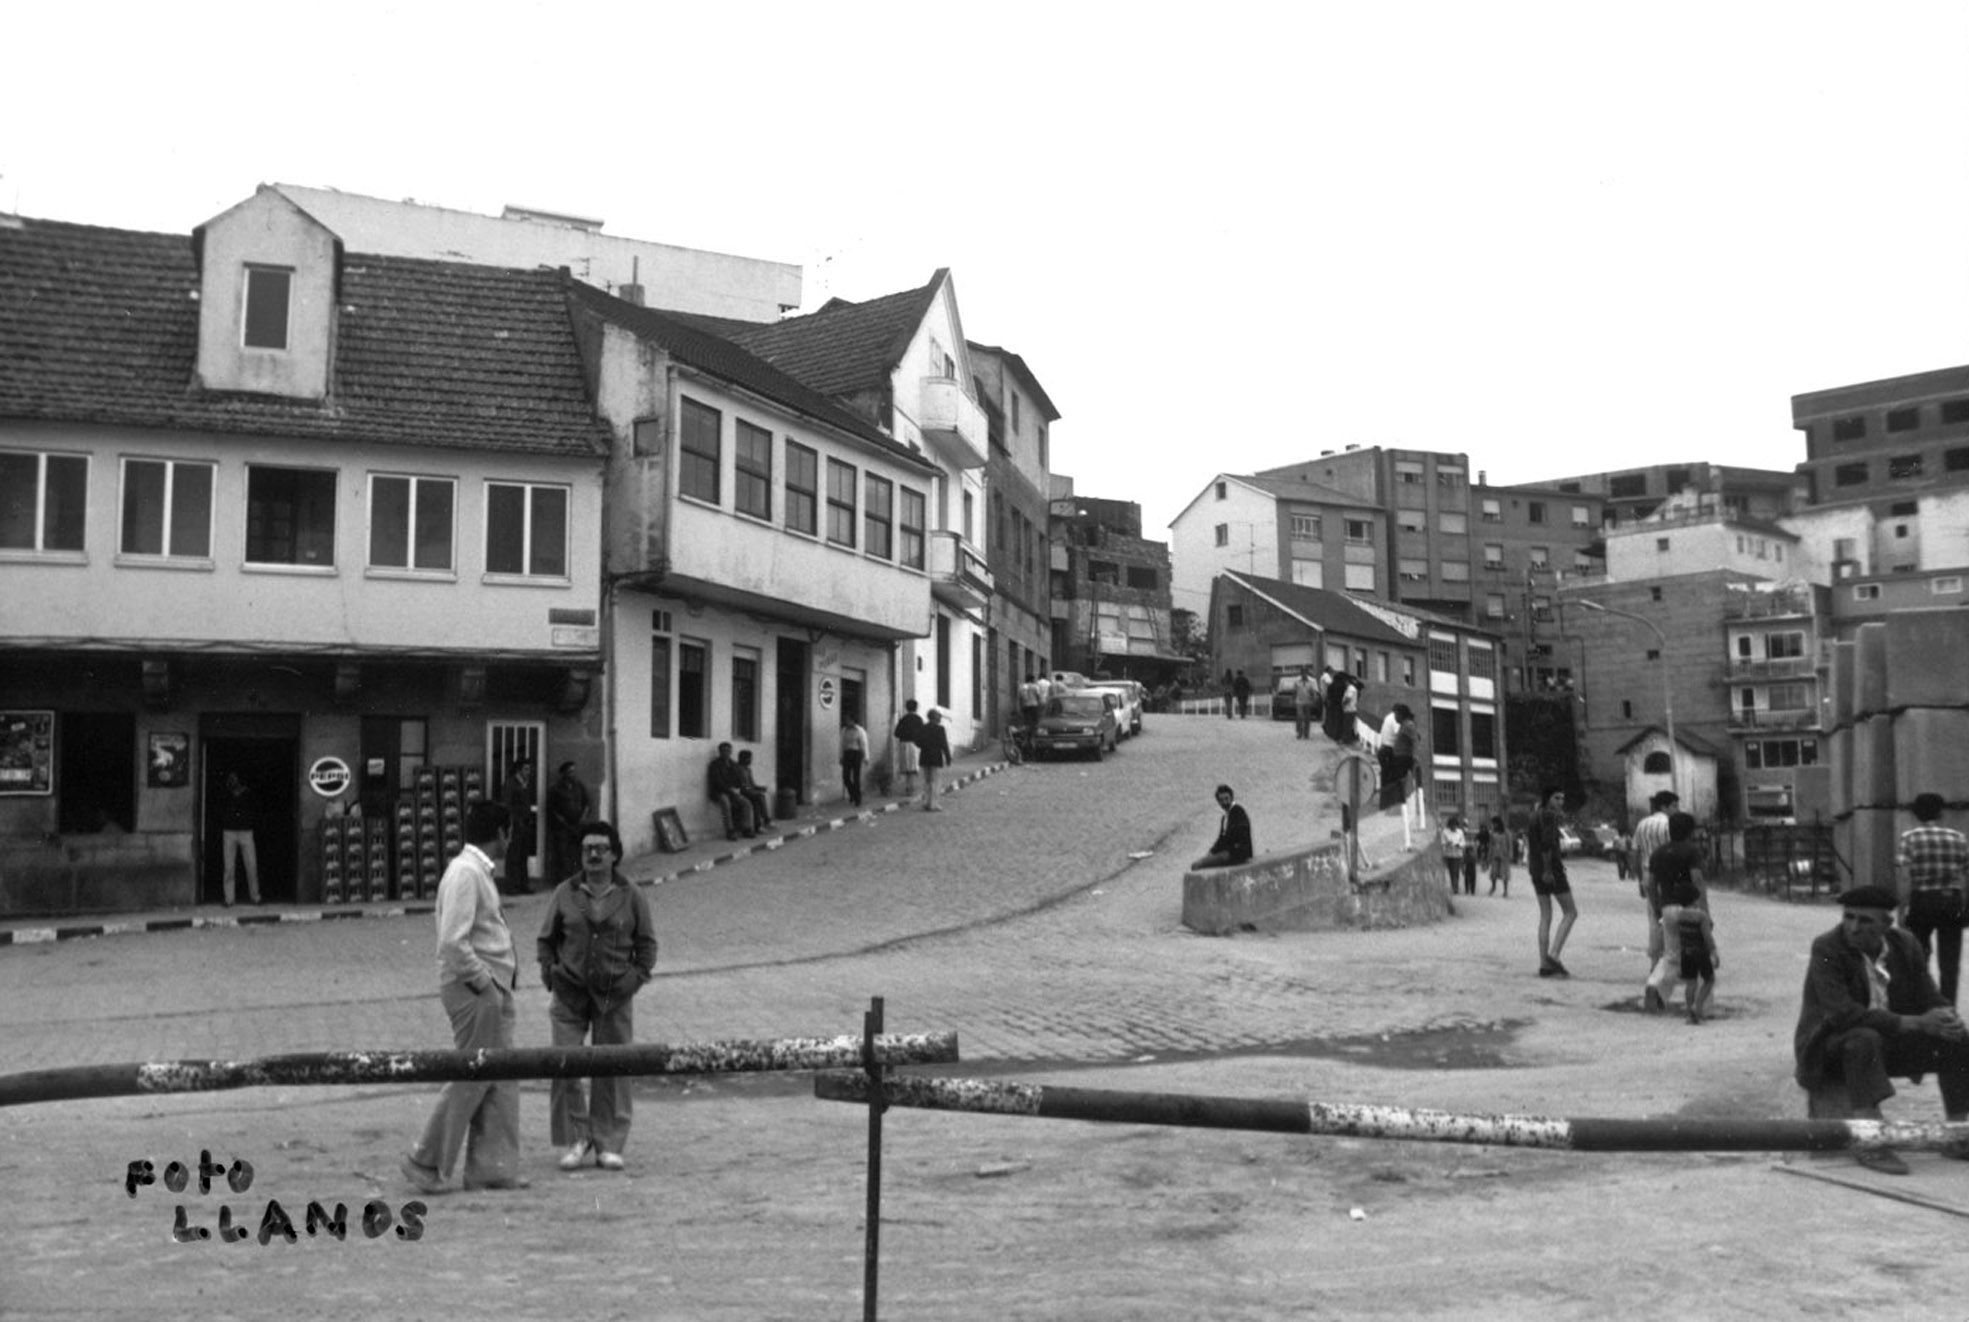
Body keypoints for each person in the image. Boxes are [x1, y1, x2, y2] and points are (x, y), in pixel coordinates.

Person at [1793, 884, 1969, 1176]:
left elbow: (1928, 994)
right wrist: (1914, 1022)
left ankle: (1959, 1133)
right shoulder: (1826, 947)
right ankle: (1870, 1140)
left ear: (1887, 924)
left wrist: (1946, 1017)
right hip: (1830, 1047)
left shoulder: (1906, 944)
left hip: (1884, 1043)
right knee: (1864, 1038)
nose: (1853, 927)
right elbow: (1842, 1014)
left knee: (1957, 1039)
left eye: (1865, 920)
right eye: (1848, 917)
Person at [402, 799, 527, 1194]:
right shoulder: (465, 874)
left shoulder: (474, 872)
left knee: (500, 1078)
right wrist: (485, 984)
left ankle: (494, 1168)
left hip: (491, 988)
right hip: (476, 990)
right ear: (502, 832)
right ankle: (425, 1162)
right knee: (471, 1075)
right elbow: (452, 942)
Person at [536, 820, 657, 1174]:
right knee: (566, 1063)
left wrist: (633, 980)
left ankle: (609, 1142)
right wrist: (551, 974)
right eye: (587, 848)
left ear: (614, 854)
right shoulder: (565, 893)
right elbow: (546, 940)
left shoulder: (631, 894)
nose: (593, 855)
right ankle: (577, 1137)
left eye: (600, 849)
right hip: (570, 993)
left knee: (613, 1067)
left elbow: (647, 946)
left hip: (614, 995)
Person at [1897, 791, 1967, 1006]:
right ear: (1941, 813)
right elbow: (1965, 877)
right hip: (1951, 902)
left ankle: (1923, 1007)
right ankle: (1948, 1009)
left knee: (1919, 958)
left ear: (1916, 814)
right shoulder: (1959, 838)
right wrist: (1963, 904)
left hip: (1922, 902)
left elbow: (1905, 878)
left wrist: (1902, 910)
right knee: (1950, 963)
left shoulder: (1909, 838)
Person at [1643, 812, 1710, 1013]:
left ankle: (1654, 984)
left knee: (1671, 955)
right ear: (1689, 831)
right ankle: (1701, 1004)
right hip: (1689, 908)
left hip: (1667, 907)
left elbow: (1649, 884)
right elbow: (1697, 880)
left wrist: (1656, 908)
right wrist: (1704, 911)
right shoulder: (1691, 852)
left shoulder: (1658, 853)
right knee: (1698, 953)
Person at [1528, 786, 1576, 977]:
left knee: (1545, 915)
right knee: (1571, 912)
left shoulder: (1534, 815)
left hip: (1535, 868)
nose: (1560, 802)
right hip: (1551, 869)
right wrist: (1549, 870)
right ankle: (1554, 955)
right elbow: (1547, 845)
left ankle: (1544, 963)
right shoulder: (1549, 816)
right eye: (1557, 798)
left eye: (1562, 798)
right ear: (1548, 798)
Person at [1629, 791, 1677, 968]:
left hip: (1648, 873)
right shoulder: (1670, 825)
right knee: (1671, 918)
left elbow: (1635, 852)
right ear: (1664, 807)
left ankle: (1654, 961)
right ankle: (1670, 961)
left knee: (1654, 918)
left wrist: (1639, 879)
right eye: (1673, 806)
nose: (1676, 810)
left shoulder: (1642, 824)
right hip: (1668, 874)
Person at [218, 771, 262, 906]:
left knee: (251, 865)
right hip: (229, 831)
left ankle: (255, 896)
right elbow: (220, 809)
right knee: (229, 867)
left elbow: (255, 809)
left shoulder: (248, 794)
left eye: (235, 778)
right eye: (231, 779)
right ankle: (229, 898)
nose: (233, 781)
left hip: (246, 831)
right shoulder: (225, 794)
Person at [545, 760, 591, 885]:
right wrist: (560, 820)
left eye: (573, 771)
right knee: (562, 853)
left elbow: (587, 803)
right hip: (563, 827)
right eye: (570, 772)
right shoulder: (556, 789)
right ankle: (564, 880)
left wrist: (583, 817)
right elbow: (551, 808)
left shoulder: (579, 786)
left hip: (578, 825)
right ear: (564, 773)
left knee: (577, 852)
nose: (572, 774)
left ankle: (579, 878)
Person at [1190, 785, 1254, 869]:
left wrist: (1216, 852)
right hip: (1230, 853)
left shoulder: (1237, 811)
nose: (1225, 802)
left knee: (1197, 865)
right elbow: (1221, 838)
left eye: (1226, 799)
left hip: (1238, 854)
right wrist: (1212, 851)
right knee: (1203, 861)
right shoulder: (1225, 817)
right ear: (1218, 802)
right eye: (1221, 800)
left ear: (1232, 798)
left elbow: (1234, 835)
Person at [501, 757, 536, 895]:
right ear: (519, 770)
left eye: (529, 769)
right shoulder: (511, 784)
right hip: (515, 824)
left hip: (525, 824)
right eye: (526, 769)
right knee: (513, 856)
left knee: (523, 856)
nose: (529, 772)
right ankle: (511, 886)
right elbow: (508, 804)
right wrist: (513, 821)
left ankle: (523, 884)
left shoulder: (525, 784)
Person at [707, 743, 756, 840]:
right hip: (719, 792)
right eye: (724, 751)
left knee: (746, 803)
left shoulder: (734, 764)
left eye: (728, 751)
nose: (726, 753)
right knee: (726, 803)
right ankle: (730, 830)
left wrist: (738, 788)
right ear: (720, 752)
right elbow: (717, 782)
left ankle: (746, 828)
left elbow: (739, 779)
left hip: (732, 791)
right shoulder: (715, 765)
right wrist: (730, 790)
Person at [1376, 704, 1418, 811]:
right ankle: (1390, 804)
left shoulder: (1408, 725)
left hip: (1403, 758)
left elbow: (1415, 741)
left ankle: (1396, 805)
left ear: (1401, 714)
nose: (1395, 717)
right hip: (1398, 757)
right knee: (1391, 780)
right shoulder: (1403, 725)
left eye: (1396, 715)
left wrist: (1414, 756)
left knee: (1396, 782)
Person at [916, 708, 952, 811]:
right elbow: (944, 744)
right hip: (936, 757)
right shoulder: (940, 729)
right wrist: (948, 757)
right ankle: (933, 804)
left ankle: (926, 802)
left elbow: (917, 742)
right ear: (936, 718)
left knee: (927, 781)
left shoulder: (923, 728)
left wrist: (925, 746)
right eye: (939, 717)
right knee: (935, 781)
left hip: (924, 756)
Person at [734, 750, 775, 831]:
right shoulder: (738, 769)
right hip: (742, 791)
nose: (750, 760)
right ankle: (766, 819)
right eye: (749, 759)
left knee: (757, 801)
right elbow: (743, 786)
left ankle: (758, 826)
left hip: (749, 790)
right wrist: (752, 790)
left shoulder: (748, 770)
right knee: (760, 796)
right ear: (744, 759)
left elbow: (752, 784)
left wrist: (760, 788)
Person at [893, 700, 924, 798]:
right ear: (916, 708)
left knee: (906, 767)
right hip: (914, 745)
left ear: (907, 708)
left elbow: (896, 733)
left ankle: (908, 786)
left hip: (903, 744)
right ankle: (910, 787)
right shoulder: (918, 719)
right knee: (912, 767)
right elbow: (922, 732)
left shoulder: (903, 719)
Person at [839, 716, 869, 808]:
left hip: (856, 753)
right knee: (845, 776)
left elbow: (864, 744)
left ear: (853, 721)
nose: (848, 722)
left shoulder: (859, 731)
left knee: (856, 777)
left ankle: (857, 799)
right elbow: (841, 744)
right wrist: (840, 756)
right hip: (847, 753)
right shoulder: (844, 731)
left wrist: (866, 757)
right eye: (846, 721)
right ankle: (852, 793)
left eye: (849, 720)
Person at [1487, 815, 1512, 897]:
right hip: (1495, 854)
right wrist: (1489, 855)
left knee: (1504, 873)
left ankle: (1505, 890)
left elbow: (1510, 844)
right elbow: (1490, 844)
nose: (1494, 825)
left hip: (1504, 855)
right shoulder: (1492, 832)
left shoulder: (1507, 832)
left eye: (1495, 823)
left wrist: (1510, 854)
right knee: (1493, 872)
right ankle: (1493, 887)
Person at [1291, 669, 1317, 741]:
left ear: (1307, 674)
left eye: (1305, 673)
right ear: (1301, 674)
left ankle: (1306, 733)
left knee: (1307, 718)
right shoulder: (1297, 681)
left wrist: (1313, 699)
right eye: (1302, 673)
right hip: (1299, 701)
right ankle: (1299, 733)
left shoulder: (1311, 682)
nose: (1304, 675)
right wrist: (1293, 700)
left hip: (1308, 702)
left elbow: (1313, 692)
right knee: (1299, 717)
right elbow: (1294, 691)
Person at [1018, 674, 1043, 745]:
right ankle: (1033, 737)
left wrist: (1021, 707)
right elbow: (1038, 696)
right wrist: (1039, 705)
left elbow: (1020, 698)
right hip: (1034, 706)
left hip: (1025, 706)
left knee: (1026, 722)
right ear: (1032, 679)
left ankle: (1025, 738)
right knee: (1035, 722)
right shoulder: (1035, 687)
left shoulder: (1022, 687)